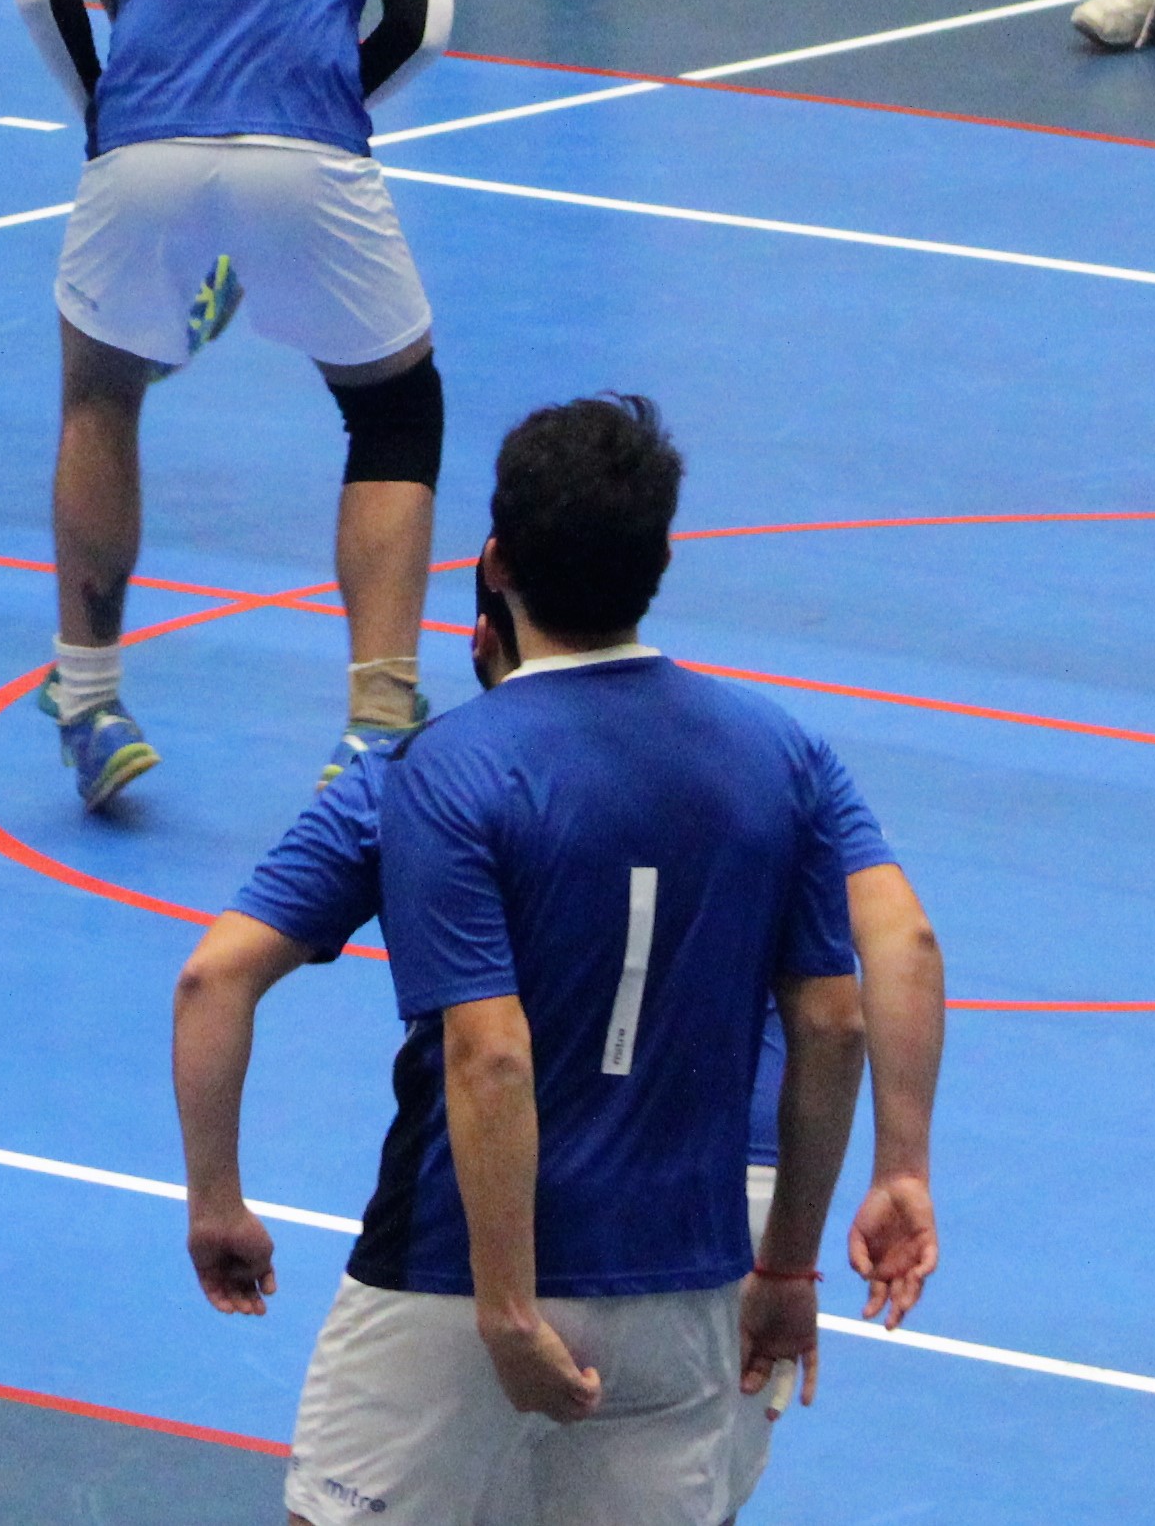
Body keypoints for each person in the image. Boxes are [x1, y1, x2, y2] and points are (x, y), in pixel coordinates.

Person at [265, 397, 879, 1525]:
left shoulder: (451, 765)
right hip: (684, 1279)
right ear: (661, 563)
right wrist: (790, 1266)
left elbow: (488, 1052)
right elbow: (839, 1022)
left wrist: (508, 1307)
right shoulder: (779, 753)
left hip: (456, 1271)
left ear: (495, 564)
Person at [171, 547, 947, 1389]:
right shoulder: (774, 756)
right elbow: (902, 948)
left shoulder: (422, 776)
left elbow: (214, 980)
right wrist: (897, 1172)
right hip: (719, 1208)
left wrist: (216, 1202)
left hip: (483, 1216)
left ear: (482, 638)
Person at [17, 0, 455, 802]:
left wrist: (103, 106)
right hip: (311, 147)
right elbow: (423, 21)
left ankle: (89, 701)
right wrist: (335, 100)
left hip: (145, 141)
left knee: (101, 393)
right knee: (393, 410)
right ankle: (376, 725)